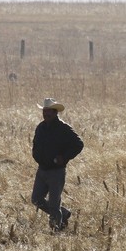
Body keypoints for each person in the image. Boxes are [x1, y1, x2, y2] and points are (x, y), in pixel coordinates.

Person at [31, 98, 84, 231]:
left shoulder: (64, 128)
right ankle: (63, 214)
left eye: (49, 111)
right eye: (44, 111)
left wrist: (64, 157)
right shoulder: (41, 127)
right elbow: (35, 145)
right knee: (36, 199)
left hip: (56, 172)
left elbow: (79, 144)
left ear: (55, 113)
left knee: (54, 204)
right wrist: (36, 156)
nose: (46, 114)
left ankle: (57, 228)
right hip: (42, 170)